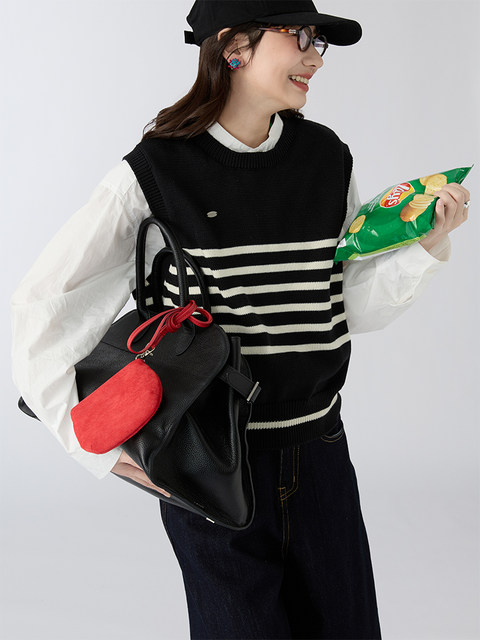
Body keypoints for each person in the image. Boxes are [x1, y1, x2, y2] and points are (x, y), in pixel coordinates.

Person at [10, 1, 471, 638]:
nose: (315, 57)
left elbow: (340, 305)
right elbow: (44, 306)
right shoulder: (156, 171)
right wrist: (96, 449)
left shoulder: (325, 158)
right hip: (208, 462)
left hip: (320, 451)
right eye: (299, 36)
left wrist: (425, 244)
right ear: (234, 47)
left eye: (318, 41)